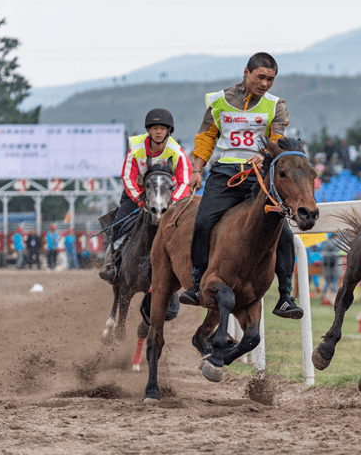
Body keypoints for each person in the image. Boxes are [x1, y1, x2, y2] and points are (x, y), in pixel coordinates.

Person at [179, 52, 303, 320]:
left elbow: (278, 140)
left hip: (259, 176)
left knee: (284, 234)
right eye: (261, 77)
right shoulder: (218, 102)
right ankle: (196, 282)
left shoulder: (276, 106)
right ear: (246, 72)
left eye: (271, 79)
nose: (265, 84)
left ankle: (285, 296)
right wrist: (197, 169)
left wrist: (267, 154)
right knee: (202, 223)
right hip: (224, 172)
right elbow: (206, 137)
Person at [99, 108, 192, 283]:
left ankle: (184, 268)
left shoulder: (177, 151)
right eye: (154, 128)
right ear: (148, 130)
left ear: (168, 131)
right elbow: (128, 176)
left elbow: (185, 181)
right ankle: (112, 266)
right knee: (119, 224)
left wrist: (172, 202)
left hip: (165, 199)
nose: (158, 132)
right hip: (138, 196)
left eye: (162, 128)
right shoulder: (136, 148)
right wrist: (140, 200)